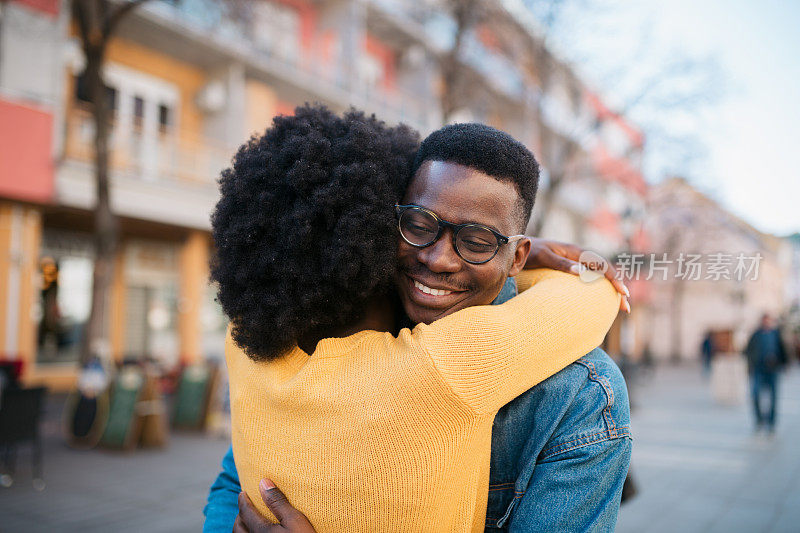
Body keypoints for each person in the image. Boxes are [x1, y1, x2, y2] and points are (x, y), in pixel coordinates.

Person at [205, 107, 626, 532]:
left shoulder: (578, 394)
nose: (437, 258)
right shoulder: (333, 317)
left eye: (478, 240)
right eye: (418, 225)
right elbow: (234, 479)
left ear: (516, 255)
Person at [745, 314, 788, 433]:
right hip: (758, 370)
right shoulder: (756, 335)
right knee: (755, 395)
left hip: (772, 370)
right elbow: (748, 351)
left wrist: (783, 364)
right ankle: (759, 420)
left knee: (773, 398)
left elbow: (783, 350)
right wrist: (750, 366)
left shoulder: (776, 334)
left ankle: (771, 423)